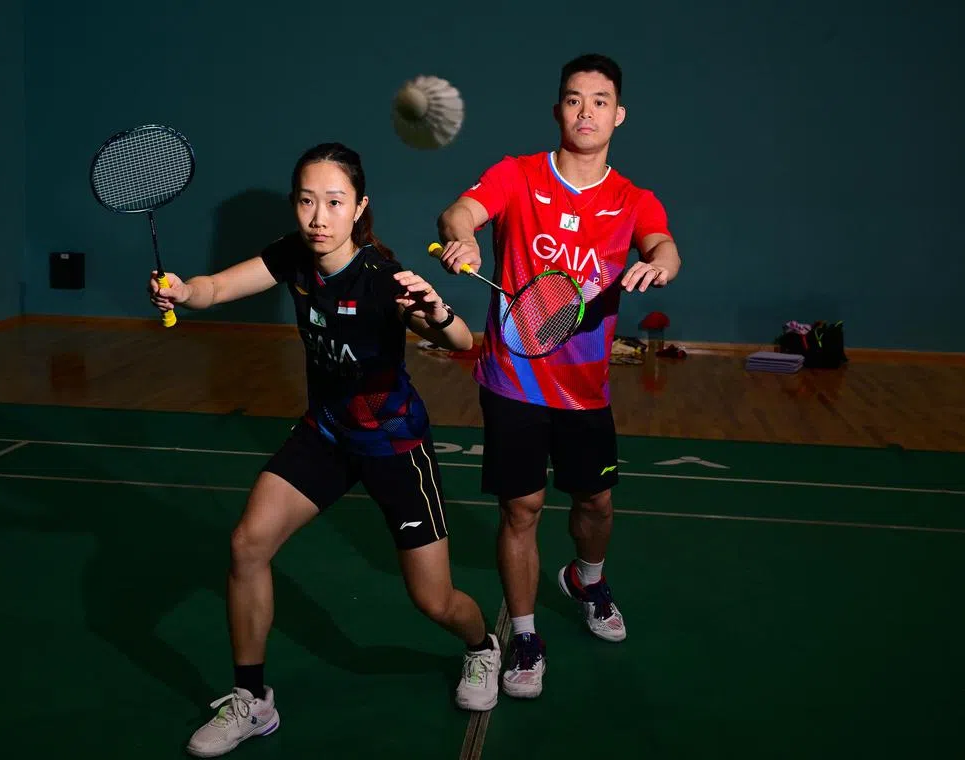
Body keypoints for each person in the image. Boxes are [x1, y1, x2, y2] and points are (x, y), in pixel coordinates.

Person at [148, 142, 502, 757]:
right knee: (246, 544)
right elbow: (216, 287)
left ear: (358, 206)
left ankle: (481, 648)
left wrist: (437, 309)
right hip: (329, 432)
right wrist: (183, 291)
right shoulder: (293, 256)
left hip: (395, 445)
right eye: (308, 201)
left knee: (434, 600)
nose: (319, 216)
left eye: (334, 202)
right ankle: (253, 700)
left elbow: (459, 340)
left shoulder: (382, 276)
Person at [434, 53, 682, 698]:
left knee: (594, 503)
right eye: (574, 99)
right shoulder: (517, 176)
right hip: (513, 379)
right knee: (522, 508)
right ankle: (524, 632)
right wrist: (459, 236)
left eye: (600, 101)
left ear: (618, 115)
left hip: (583, 388)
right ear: (558, 110)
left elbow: (664, 246)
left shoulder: (633, 199)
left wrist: (658, 264)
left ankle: (588, 579)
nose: (586, 112)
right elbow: (461, 211)